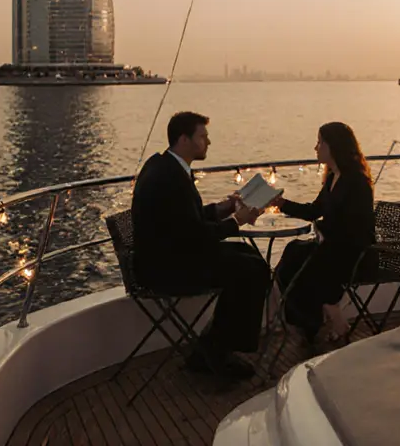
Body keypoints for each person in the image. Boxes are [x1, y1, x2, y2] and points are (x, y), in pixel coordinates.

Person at [131, 111, 269, 379]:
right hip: (167, 270)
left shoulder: (165, 167)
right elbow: (194, 234)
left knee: (248, 256)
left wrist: (223, 208)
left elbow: (185, 220)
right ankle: (217, 353)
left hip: (168, 256)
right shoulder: (169, 178)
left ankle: (213, 348)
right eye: (203, 136)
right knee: (250, 270)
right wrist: (237, 221)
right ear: (184, 140)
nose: (209, 142)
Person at [272, 122, 375, 345]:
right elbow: (314, 211)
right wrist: (281, 203)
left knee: (306, 263)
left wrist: (323, 229)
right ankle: (309, 321)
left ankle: (327, 314)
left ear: (333, 146)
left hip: (354, 253)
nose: (316, 147)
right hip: (332, 248)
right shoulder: (332, 178)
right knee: (291, 255)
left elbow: (356, 228)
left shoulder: (356, 182)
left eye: (320, 142)